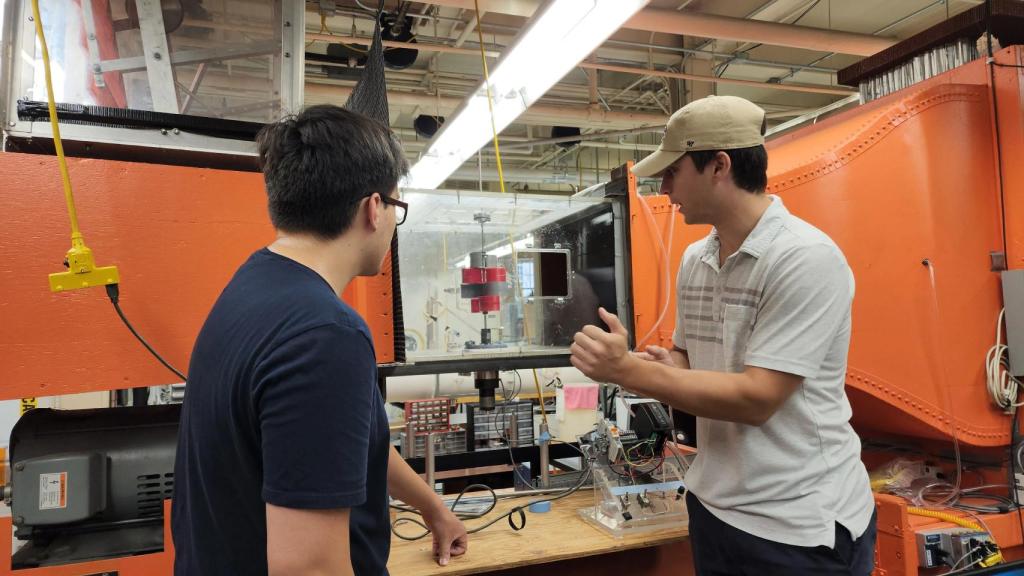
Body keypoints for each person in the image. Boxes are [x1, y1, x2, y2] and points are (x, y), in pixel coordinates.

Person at [569, 95, 875, 576]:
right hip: (714, 508)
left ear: (719, 166)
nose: (664, 184)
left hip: (796, 526)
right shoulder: (697, 259)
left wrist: (626, 370)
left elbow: (757, 398)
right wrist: (663, 368)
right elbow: (692, 365)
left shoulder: (804, 258)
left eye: (673, 170)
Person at [172, 105, 467, 576]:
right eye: (398, 208)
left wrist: (431, 506)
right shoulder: (326, 335)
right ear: (375, 209)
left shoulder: (254, 285)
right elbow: (307, 568)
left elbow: (342, 442)